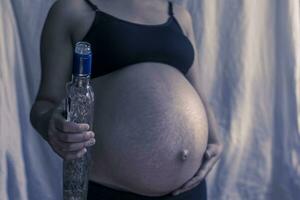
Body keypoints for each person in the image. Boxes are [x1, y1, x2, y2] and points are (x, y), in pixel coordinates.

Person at [30, 0, 223, 199]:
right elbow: (45, 102)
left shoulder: (180, 16)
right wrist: (51, 126)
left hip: (188, 188)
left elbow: (197, 89)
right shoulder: (72, 10)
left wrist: (215, 139)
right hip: (111, 189)